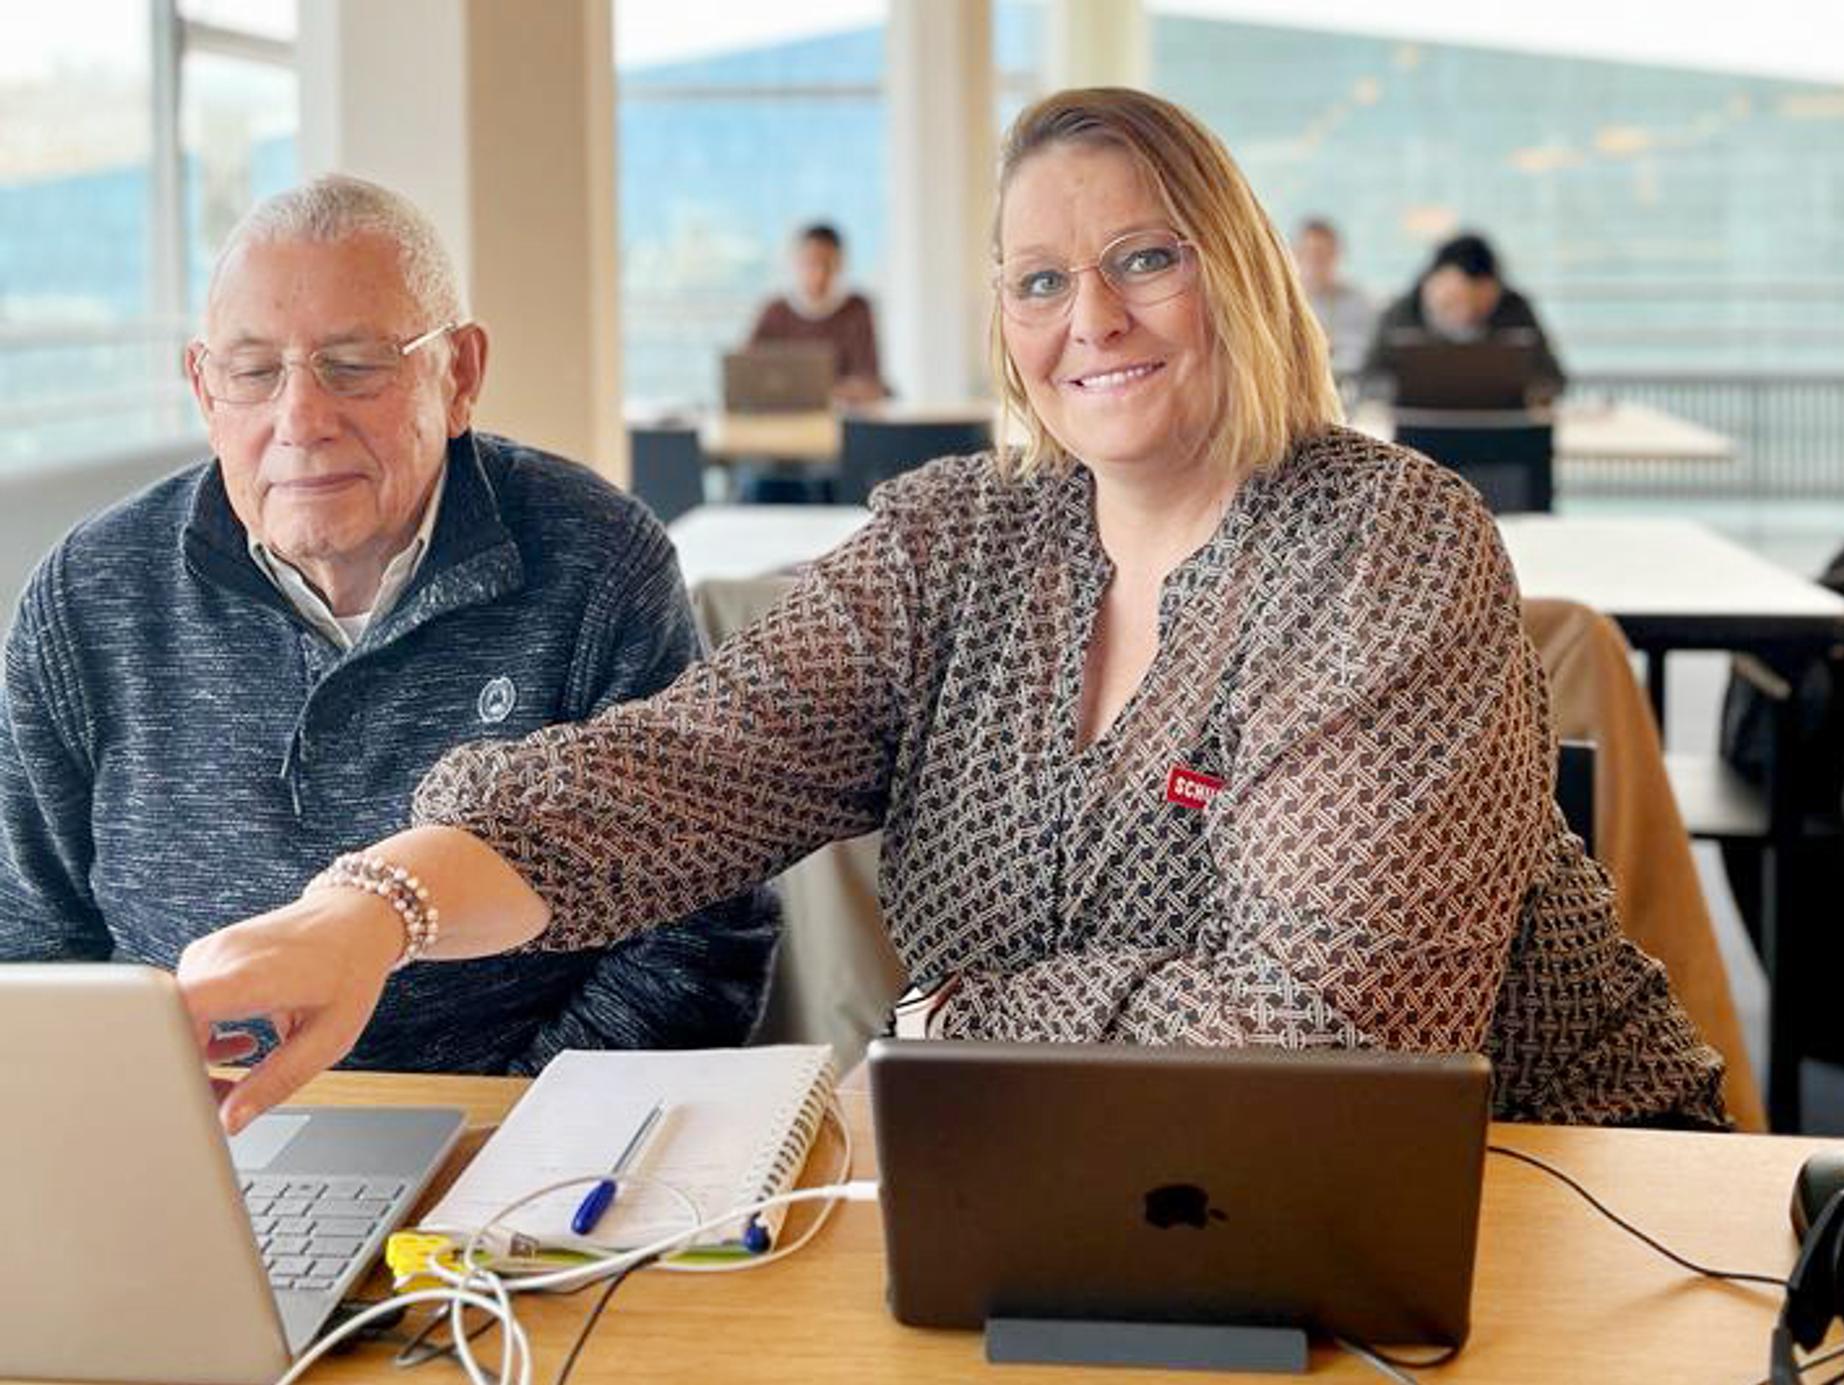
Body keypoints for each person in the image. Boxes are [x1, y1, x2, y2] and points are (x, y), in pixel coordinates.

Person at [178, 90, 1725, 1133]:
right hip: (1087, 1198)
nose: (1093, 321)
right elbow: (679, 771)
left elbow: (1342, 1034)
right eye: (1039, 281)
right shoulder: (958, 541)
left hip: (1544, 1199)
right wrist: (365, 913)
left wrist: (968, 1014)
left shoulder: (1378, 541)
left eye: (1143, 261)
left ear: (1238, 276)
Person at [0, 174, 777, 1074]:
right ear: (204, 390)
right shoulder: (91, 592)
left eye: (355, 364)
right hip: (194, 1131)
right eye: (253, 372)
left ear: (461, 375)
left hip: (510, 1144)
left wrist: (510, 1129)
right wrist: (155, 1123)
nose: (301, 420)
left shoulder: (597, 562)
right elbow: (27, 940)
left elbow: (699, 929)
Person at [1361, 230, 1566, 401]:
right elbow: (1369, 380)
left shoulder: (1515, 309)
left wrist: (1528, 392)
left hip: (1499, 430)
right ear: (1431, 283)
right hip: (1420, 430)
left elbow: (1553, 379)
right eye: (1453, 302)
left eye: (1479, 306)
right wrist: (1404, 390)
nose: (1465, 314)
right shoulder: (1401, 314)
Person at [746, 222, 886, 405]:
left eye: (827, 264)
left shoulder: (857, 309)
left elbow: (868, 381)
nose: (819, 273)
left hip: (841, 418)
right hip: (783, 416)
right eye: (810, 263)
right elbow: (746, 374)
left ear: (840, 264)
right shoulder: (775, 311)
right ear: (795, 262)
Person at [1291, 217, 1376, 377]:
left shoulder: (1358, 301)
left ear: (1337, 255)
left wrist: (1329, 344)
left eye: (1323, 255)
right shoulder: (1282, 302)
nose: (1315, 263)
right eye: (1309, 254)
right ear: (1296, 254)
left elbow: (1365, 353)